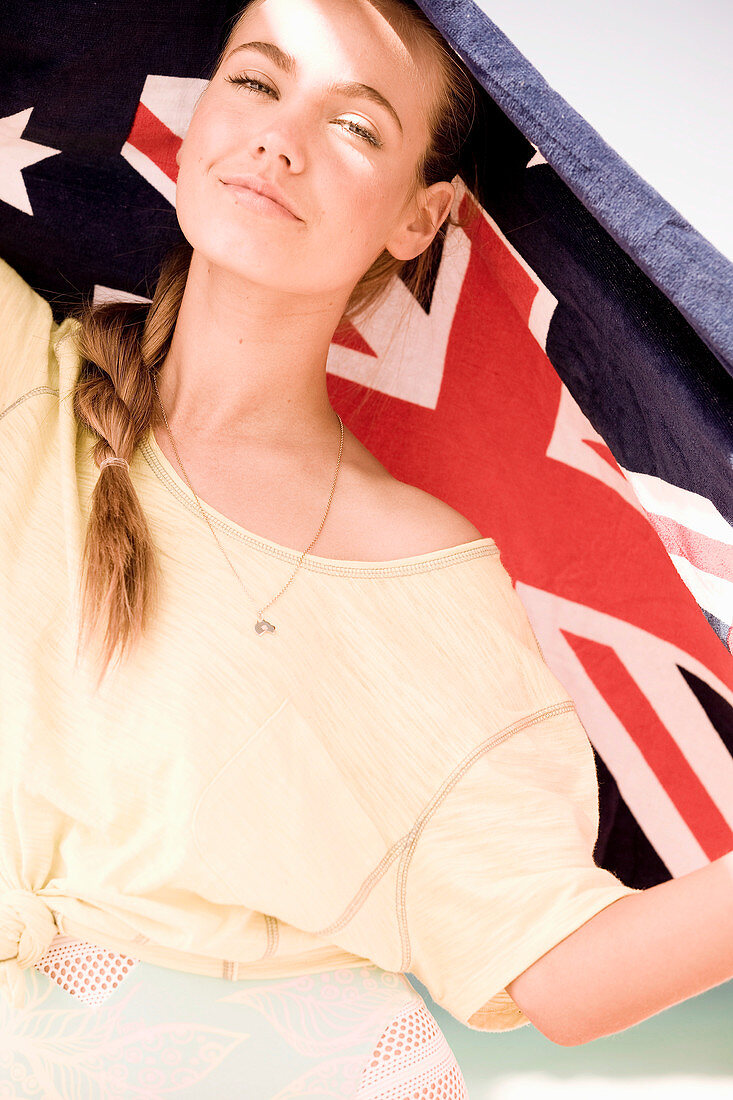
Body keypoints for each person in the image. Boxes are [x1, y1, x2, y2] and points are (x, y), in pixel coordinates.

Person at [1, 0, 731, 1096]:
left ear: (420, 214)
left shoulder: (416, 569)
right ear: (196, 122)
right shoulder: (26, 381)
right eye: (256, 81)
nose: (276, 140)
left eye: (356, 126)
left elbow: (558, 965)